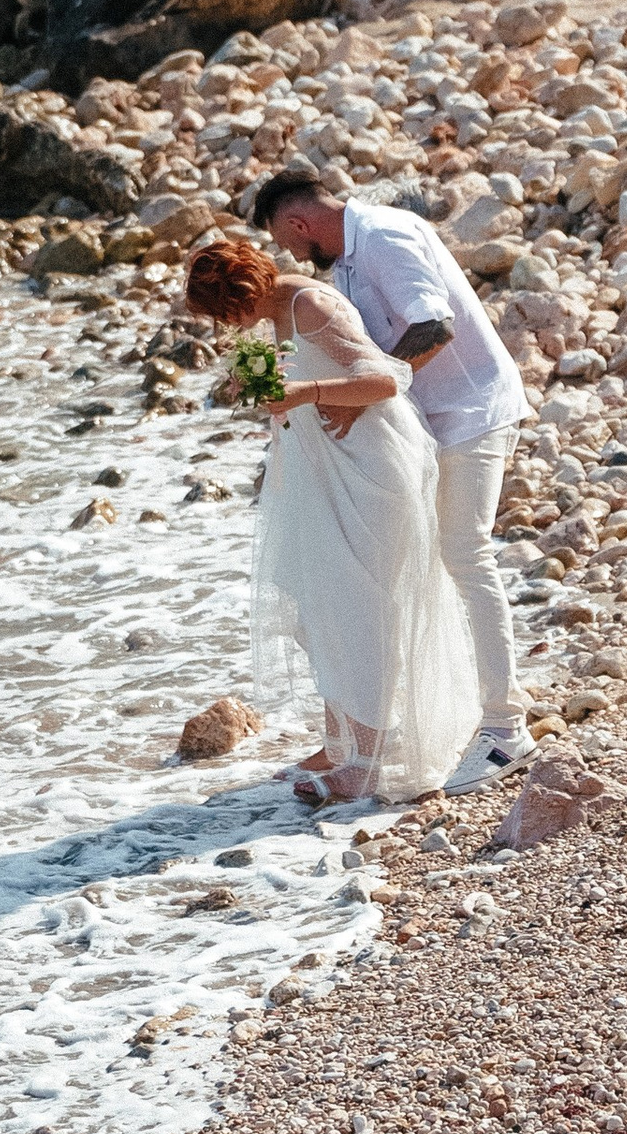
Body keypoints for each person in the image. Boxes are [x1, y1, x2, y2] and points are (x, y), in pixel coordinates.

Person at [248, 167, 533, 793]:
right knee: (395, 569)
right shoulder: (346, 262)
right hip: (426, 423)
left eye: (286, 242)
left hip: (472, 411)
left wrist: (364, 394)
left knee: (465, 555)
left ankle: (506, 728)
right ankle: (376, 732)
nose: (292, 256)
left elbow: (433, 326)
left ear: (298, 223)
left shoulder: (382, 236)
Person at [183, 227, 476, 806]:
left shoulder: (310, 304)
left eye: (223, 312)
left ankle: (366, 763)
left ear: (242, 293)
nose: (225, 325)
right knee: (321, 606)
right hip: (327, 467)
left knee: (357, 605)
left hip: (368, 466)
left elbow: (387, 379)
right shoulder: (278, 312)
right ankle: (343, 743)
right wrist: (261, 383)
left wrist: (307, 392)